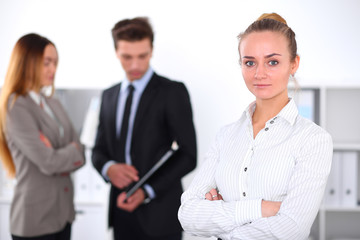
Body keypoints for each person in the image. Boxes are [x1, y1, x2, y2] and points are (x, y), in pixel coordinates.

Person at [178, 13, 333, 240]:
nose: (259, 74)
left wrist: (220, 222)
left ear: (293, 64)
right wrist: (262, 208)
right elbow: (188, 214)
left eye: (272, 62)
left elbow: (292, 228)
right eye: (250, 62)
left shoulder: (313, 140)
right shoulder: (226, 136)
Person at [91, 17, 197, 240]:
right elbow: (98, 151)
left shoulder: (172, 92)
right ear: (116, 52)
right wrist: (109, 168)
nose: (135, 65)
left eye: (142, 56)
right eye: (127, 57)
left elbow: (188, 155)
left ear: (151, 50)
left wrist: (146, 191)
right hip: (121, 215)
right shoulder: (108, 96)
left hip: (160, 216)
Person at [0, 33, 85, 240]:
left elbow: (81, 153)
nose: (53, 70)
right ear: (27, 61)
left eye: (55, 63)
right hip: (35, 220)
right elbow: (48, 162)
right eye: (46, 63)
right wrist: (70, 150)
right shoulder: (16, 106)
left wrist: (69, 151)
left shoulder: (52, 102)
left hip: (63, 214)